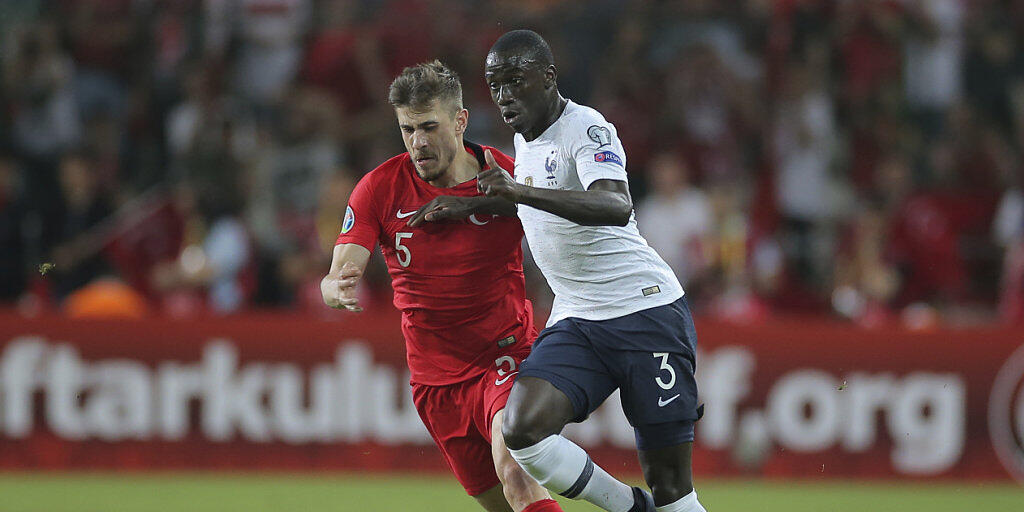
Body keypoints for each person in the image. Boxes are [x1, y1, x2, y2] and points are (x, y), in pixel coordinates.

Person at [473, 30, 708, 512]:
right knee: (522, 431)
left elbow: (614, 203)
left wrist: (519, 193)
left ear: (549, 77)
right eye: (496, 84)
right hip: (579, 316)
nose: (504, 95)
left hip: (645, 312)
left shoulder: (586, 127)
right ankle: (629, 508)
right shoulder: (526, 140)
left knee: (673, 493)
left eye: (516, 80)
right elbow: (535, 213)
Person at [320, 61, 562, 512]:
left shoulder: (507, 177)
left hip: (506, 357)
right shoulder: (379, 188)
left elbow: (565, 239)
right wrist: (335, 286)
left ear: (460, 120)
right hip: (435, 383)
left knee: (515, 472)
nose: (418, 142)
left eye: (429, 127)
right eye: (408, 130)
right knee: (503, 505)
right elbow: (340, 267)